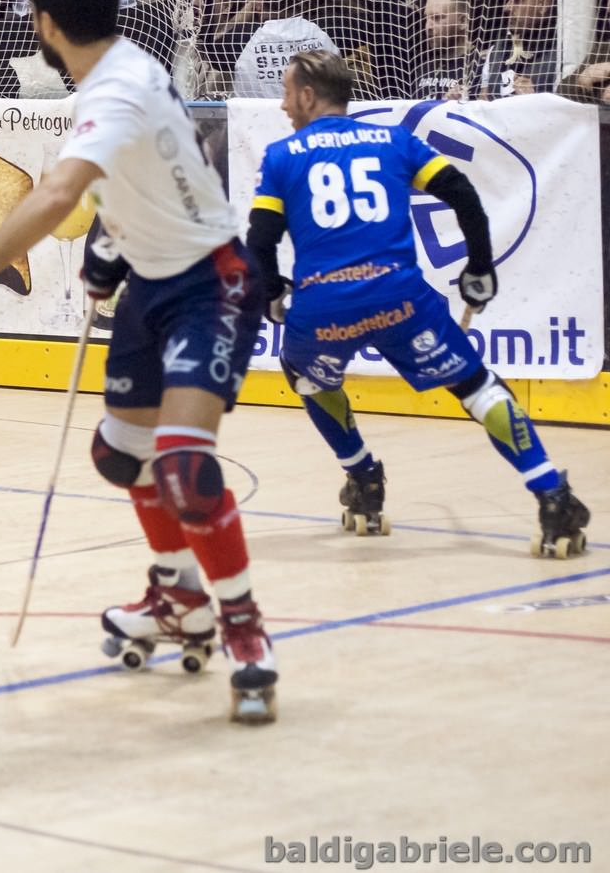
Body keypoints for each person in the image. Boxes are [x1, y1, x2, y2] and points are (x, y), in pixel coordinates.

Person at [0, 0, 277, 725]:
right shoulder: (127, 65)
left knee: (183, 465)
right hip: (153, 279)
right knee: (121, 451)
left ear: (45, 25)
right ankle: (178, 593)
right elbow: (163, 162)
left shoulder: (112, 92)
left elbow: (57, 193)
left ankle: (244, 625)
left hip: (210, 283)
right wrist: (113, 245)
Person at [244, 50, 590, 557]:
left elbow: (260, 241)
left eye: (285, 92)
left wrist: (273, 294)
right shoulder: (394, 140)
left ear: (308, 95)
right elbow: (460, 190)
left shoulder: (281, 156)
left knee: (306, 377)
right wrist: (480, 267)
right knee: (476, 387)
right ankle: (551, 494)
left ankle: (363, 477)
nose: (281, 106)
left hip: (323, 307)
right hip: (399, 299)